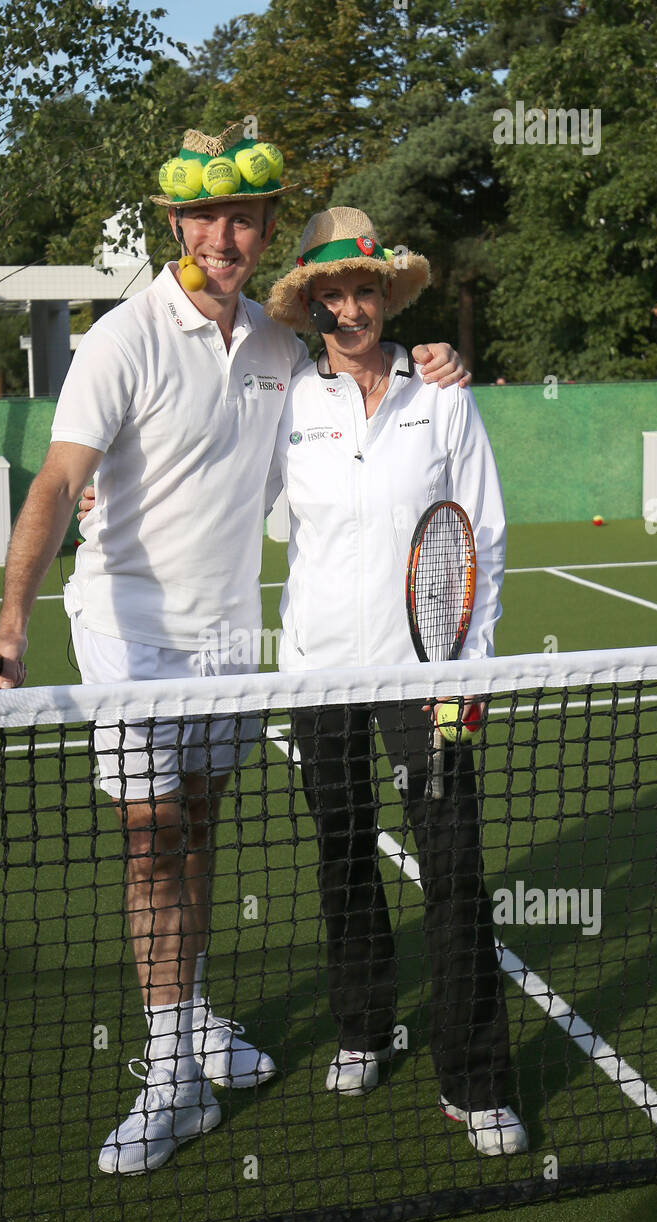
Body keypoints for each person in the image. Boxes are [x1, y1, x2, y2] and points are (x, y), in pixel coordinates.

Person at [0, 124, 469, 1177]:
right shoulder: (121, 340)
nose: (223, 234)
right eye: (203, 217)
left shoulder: (280, 350)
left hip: (229, 644)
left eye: (242, 217)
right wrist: (12, 625)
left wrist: (432, 360)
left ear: (262, 230)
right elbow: (59, 483)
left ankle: (190, 1013)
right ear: (175, 225)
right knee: (151, 838)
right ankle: (169, 1077)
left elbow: (350, 407)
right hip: (128, 633)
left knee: (198, 828)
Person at [261, 206, 526, 1156]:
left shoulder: (442, 394)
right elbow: (228, 497)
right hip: (318, 673)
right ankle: (364, 1030)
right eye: (329, 295)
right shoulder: (287, 402)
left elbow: (482, 535)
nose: (348, 307)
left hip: (428, 677)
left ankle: (476, 1081)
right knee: (341, 858)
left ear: (386, 296)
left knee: (454, 874)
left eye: (362, 290)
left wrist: (471, 663)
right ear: (311, 308)